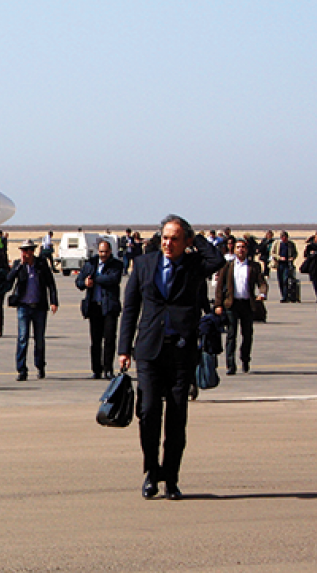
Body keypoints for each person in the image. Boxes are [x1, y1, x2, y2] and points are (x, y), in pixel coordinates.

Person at [118, 215, 225, 501]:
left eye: (175, 238)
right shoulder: (143, 265)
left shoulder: (194, 265)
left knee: (177, 419)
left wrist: (197, 240)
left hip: (181, 351)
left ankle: (172, 478)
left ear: (185, 241)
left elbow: (217, 260)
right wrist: (123, 349)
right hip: (150, 350)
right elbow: (130, 309)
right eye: (165, 237)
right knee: (149, 412)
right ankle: (152, 472)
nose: (168, 243)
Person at [214, 238, 268, 375]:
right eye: (238, 247)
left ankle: (245, 360)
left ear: (247, 249)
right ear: (234, 249)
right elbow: (220, 287)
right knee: (231, 335)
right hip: (232, 304)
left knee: (247, 334)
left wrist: (262, 293)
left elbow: (262, 283)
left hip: (247, 304)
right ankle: (230, 365)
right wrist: (218, 304)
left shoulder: (254, 266)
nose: (240, 249)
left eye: (243, 247)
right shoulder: (227, 266)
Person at [8, 239, 59, 381]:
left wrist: (54, 301)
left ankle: (40, 365)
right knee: (23, 338)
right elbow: (8, 280)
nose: (26, 253)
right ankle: (21, 369)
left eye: (28, 250)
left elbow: (51, 284)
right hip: (23, 307)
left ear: (33, 251)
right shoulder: (19, 265)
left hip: (39, 307)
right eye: (24, 250)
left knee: (39, 339)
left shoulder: (41, 264)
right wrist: (18, 267)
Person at [75, 240, 123, 380]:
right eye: (101, 252)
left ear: (110, 252)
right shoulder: (90, 264)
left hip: (109, 307)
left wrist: (95, 279)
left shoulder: (116, 265)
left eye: (106, 252)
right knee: (95, 340)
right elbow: (79, 281)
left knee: (109, 339)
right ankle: (97, 369)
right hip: (94, 306)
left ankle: (108, 369)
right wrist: (84, 283)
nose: (103, 255)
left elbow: (113, 279)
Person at [271, 231, 297, 303]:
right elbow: (272, 253)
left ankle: (286, 296)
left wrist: (292, 258)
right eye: (283, 238)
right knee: (281, 280)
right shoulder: (277, 244)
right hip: (279, 264)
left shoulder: (291, 244)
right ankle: (283, 295)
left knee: (286, 280)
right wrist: (279, 258)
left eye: (285, 238)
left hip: (287, 265)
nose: (284, 239)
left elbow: (295, 253)